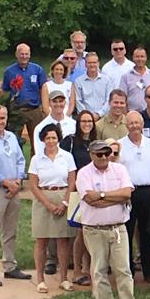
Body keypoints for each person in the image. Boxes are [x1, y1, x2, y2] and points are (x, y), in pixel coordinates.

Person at [76, 140, 137, 299]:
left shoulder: (120, 170)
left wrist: (101, 196)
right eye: (99, 154)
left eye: (106, 153)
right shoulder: (84, 173)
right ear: (91, 155)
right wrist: (115, 198)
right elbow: (89, 199)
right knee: (99, 269)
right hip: (94, 229)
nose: (104, 157)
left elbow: (126, 193)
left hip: (118, 227)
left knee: (123, 269)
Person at [118, 111, 150, 283]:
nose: (134, 126)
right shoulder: (120, 145)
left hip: (148, 192)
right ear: (126, 125)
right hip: (128, 193)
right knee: (127, 232)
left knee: (147, 233)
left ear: (142, 124)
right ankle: (128, 272)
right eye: (131, 123)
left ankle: (149, 272)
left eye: (137, 123)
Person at [28, 123, 76, 293]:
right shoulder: (36, 159)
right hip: (43, 198)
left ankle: (63, 278)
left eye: (54, 137)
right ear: (43, 139)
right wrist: (47, 204)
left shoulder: (67, 157)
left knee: (63, 240)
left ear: (58, 139)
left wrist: (65, 202)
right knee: (42, 240)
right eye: (47, 138)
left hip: (62, 195)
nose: (51, 141)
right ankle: (40, 279)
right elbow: (33, 185)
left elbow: (72, 181)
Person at [61, 110, 98, 286]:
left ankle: (89, 268)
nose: (87, 124)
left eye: (89, 121)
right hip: (78, 191)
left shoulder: (97, 143)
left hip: (96, 192)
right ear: (78, 123)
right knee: (81, 233)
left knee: (92, 232)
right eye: (83, 121)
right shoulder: (70, 141)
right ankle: (77, 270)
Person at [2, 44, 48, 148]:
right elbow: (5, 90)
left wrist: (44, 107)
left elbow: (43, 88)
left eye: (26, 54)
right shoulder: (9, 71)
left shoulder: (38, 70)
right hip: (17, 110)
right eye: (21, 54)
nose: (24, 56)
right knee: (14, 139)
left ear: (30, 55)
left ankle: (35, 158)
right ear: (16, 54)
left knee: (37, 140)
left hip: (34, 109)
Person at [118, 46, 150, 113]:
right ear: (133, 58)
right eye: (137, 56)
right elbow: (122, 98)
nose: (140, 59)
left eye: (142, 56)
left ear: (146, 58)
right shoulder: (125, 77)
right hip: (132, 114)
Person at [33, 90, 76, 156]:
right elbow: (39, 152)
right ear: (49, 103)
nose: (58, 104)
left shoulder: (74, 125)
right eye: (54, 101)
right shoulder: (40, 127)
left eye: (61, 101)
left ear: (65, 102)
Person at [73, 52, 114, 118]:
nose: (92, 65)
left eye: (94, 62)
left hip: (104, 117)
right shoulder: (78, 81)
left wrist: (99, 114)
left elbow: (109, 100)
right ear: (85, 64)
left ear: (98, 63)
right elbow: (78, 101)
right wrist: (87, 116)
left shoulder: (106, 80)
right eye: (89, 63)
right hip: (85, 118)